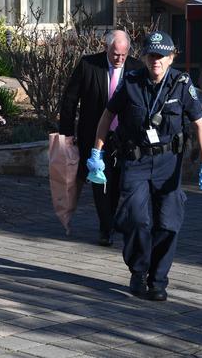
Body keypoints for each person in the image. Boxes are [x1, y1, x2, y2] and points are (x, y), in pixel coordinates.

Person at [87, 31, 202, 301]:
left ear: (171, 58)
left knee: (169, 224)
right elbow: (107, 115)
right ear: (144, 57)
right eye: (151, 55)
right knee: (137, 219)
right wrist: (95, 153)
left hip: (168, 163)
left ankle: (157, 280)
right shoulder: (131, 82)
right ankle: (138, 271)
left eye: (161, 56)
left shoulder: (181, 84)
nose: (155, 60)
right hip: (135, 160)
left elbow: (199, 124)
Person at [59, 30, 143, 246]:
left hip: (124, 138)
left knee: (117, 183)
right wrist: (67, 134)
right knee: (100, 181)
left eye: (124, 55)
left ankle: (111, 221)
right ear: (106, 48)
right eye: (116, 54)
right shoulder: (89, 65)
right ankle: (106, 229)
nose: (120, 59)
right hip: (94, 135)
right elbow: (69, 100)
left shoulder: (136, 69)